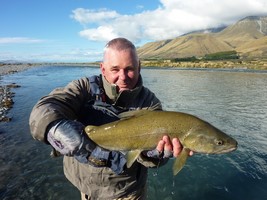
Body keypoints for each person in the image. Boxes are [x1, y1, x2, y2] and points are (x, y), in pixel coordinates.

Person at [29, 38, 192, 200]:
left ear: (139, 67)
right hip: (85, 188)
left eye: (130, 69)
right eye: (115, 69)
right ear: (103, 69)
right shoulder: (83, 88)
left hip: (126, 192)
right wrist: (54, 127)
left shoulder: (149, 103)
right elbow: (46, 106)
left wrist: (153, 155)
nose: (123, 77)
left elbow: (153, 160)